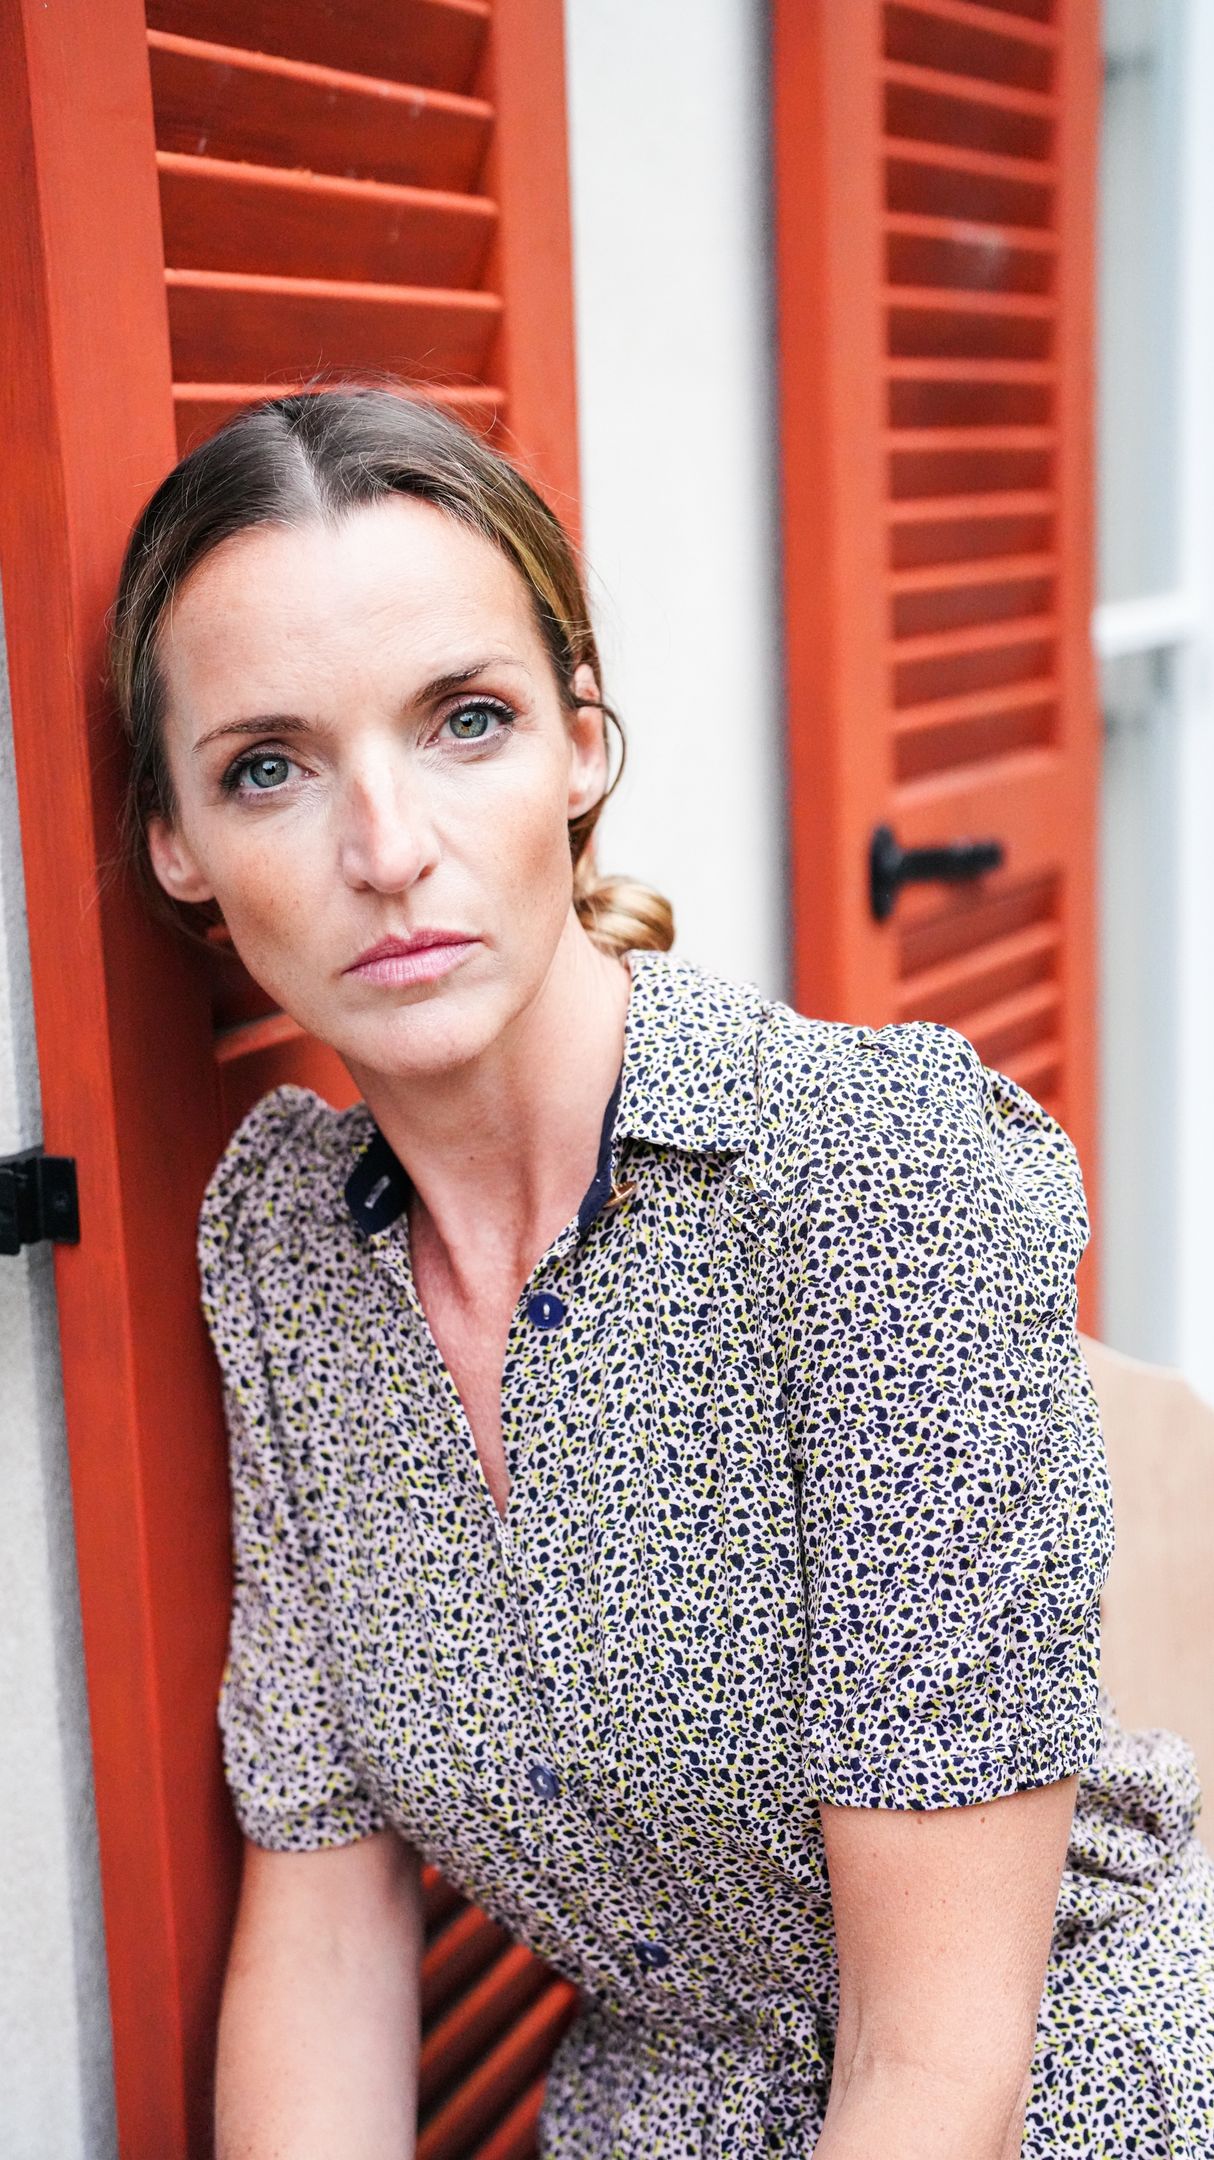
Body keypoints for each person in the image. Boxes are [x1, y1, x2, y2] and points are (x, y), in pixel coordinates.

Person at [111, 386, 1214, 2159]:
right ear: (177, 844)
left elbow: (935, 2067)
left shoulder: (874, 1180)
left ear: (578, 747)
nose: (384, 850)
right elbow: (323, 1928)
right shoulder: (288, 1256)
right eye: (268, 766)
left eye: (464, 723)